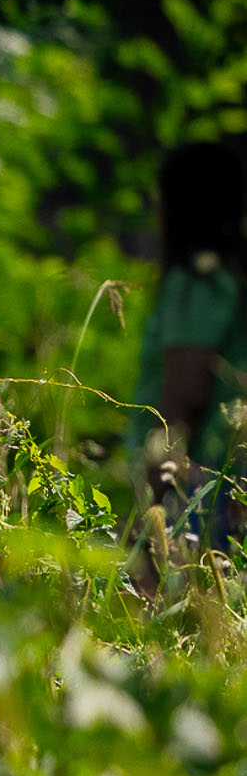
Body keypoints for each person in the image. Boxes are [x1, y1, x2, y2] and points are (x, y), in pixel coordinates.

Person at [134, 138, 247, 534]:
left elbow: (181, 404)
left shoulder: (197, 283)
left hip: (198, 496)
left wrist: (150, 514)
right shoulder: (232, 278)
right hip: (226, 488)